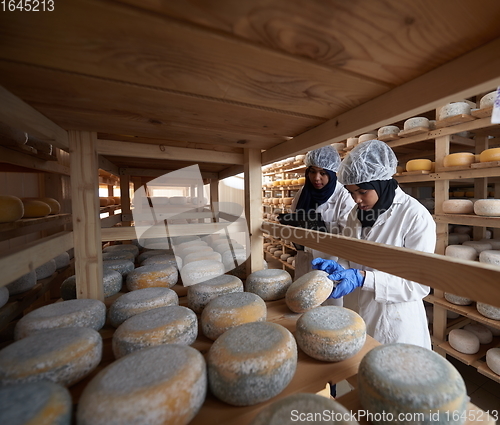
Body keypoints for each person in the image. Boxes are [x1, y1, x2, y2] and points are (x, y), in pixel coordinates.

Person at [313, 140, 435, 349]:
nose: (356, 199)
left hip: (394, 323)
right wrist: (341, 265)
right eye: (351, 193)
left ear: (379, 181)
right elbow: (351, 252)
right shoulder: (355, 214)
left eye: (362, 192)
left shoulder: (414, 216)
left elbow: (417, 284)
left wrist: (363, 278)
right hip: (357, 316)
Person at [290, 145, 355, 289]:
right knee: (301, 303)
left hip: (330, 265)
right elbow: (293, 219)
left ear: (332, 173)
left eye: (322, 173)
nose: (316, 178)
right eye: (312, 172)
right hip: (304, 261)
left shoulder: (343, 196)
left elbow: (349, 237)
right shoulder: (303, 193)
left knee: (329, 308)